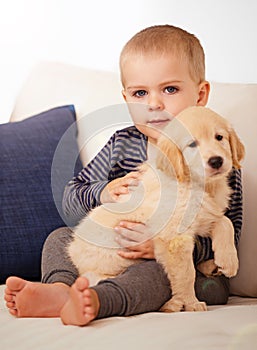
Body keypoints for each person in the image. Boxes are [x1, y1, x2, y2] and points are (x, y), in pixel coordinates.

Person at [4, 24, 242, 326]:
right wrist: (103, 192)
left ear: (200, 94)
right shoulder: (123, 143)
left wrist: (160, 248)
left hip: (175, 266)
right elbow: (71, 198)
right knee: (59, 237)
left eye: (170, 89)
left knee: (161, 275)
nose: (154, 104)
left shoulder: (216, 153)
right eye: (140, 93)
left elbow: (230, 234)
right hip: (110, 249)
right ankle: (58, 291)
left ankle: (100, 301)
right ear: (126, 98)